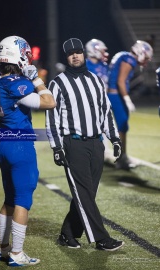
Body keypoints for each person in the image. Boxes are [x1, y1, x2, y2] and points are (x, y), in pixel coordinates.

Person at [0, 35, 56, 267]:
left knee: (10, 200)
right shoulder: (17, 84)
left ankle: (4, 249)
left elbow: (5, 81)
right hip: (21, 145)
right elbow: (48, 102)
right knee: (23, 201)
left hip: (3, 144)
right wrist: (37, 80)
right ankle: (16, 253)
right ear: (20, 56)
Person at [46, 38, 124, 251]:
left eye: (78, 52)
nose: (75, 56)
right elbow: (52, 118)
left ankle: (67, 234)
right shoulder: (58, 83)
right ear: (67, 57)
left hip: (96, 144)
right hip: (74, 145)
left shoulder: (96, 80)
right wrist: (56, 147)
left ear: (83, 54)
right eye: (71, 53)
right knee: (84, 193)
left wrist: (114, 138)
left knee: (86, 194)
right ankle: (101, 239)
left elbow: (105, 111)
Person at [108, 40, 153, 169]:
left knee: (122, 126)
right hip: (116, 95)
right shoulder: (129, 60)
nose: (146, 61)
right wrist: (127, 99)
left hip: (113, 95)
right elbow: (121, 82)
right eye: (146, 57)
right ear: (140, 53)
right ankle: (121, 158)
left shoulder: (124, 55)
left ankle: (123, 156)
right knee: (122, 126)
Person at [85, 38, 113, 161]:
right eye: (101, 50)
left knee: (105, 126)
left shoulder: (103, 65)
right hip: (87, 101)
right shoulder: (84, 65)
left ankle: (104, 150)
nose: (103, 53)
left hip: (102, 100)